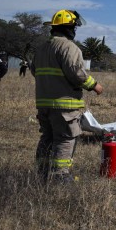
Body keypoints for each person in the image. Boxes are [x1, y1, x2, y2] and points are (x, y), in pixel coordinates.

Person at [31, 10, 102, 182]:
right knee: (65, 139)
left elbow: (34, 71)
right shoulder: (69, 47)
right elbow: (76, 73)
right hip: (64, 105)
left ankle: (42, 173)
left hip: (44, 104)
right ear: (69, 28)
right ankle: (60, 176)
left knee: (47, 138)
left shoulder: (41, 48)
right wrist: (94, 85)